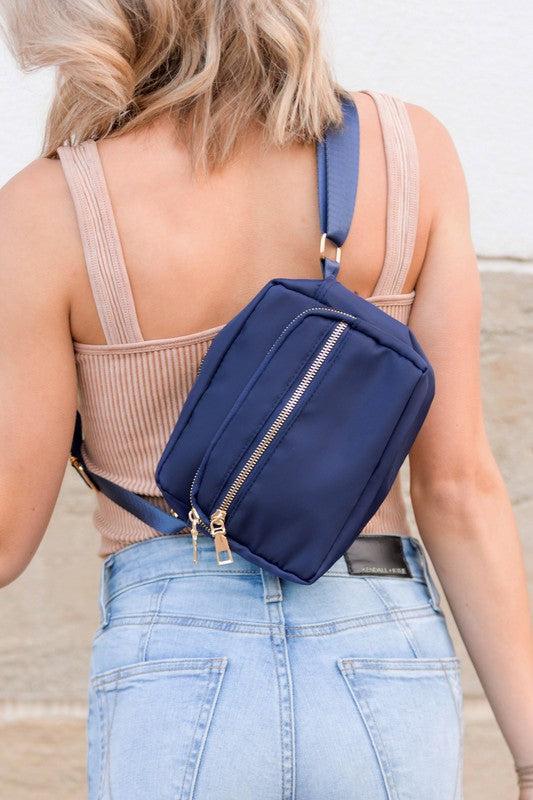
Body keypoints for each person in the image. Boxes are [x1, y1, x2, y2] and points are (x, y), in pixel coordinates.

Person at [1, 2, 532, 798]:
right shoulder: (409, 153)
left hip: (175, 659)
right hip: (377, 647)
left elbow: (6, 539)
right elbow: (457, 489)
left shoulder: (46, 212)